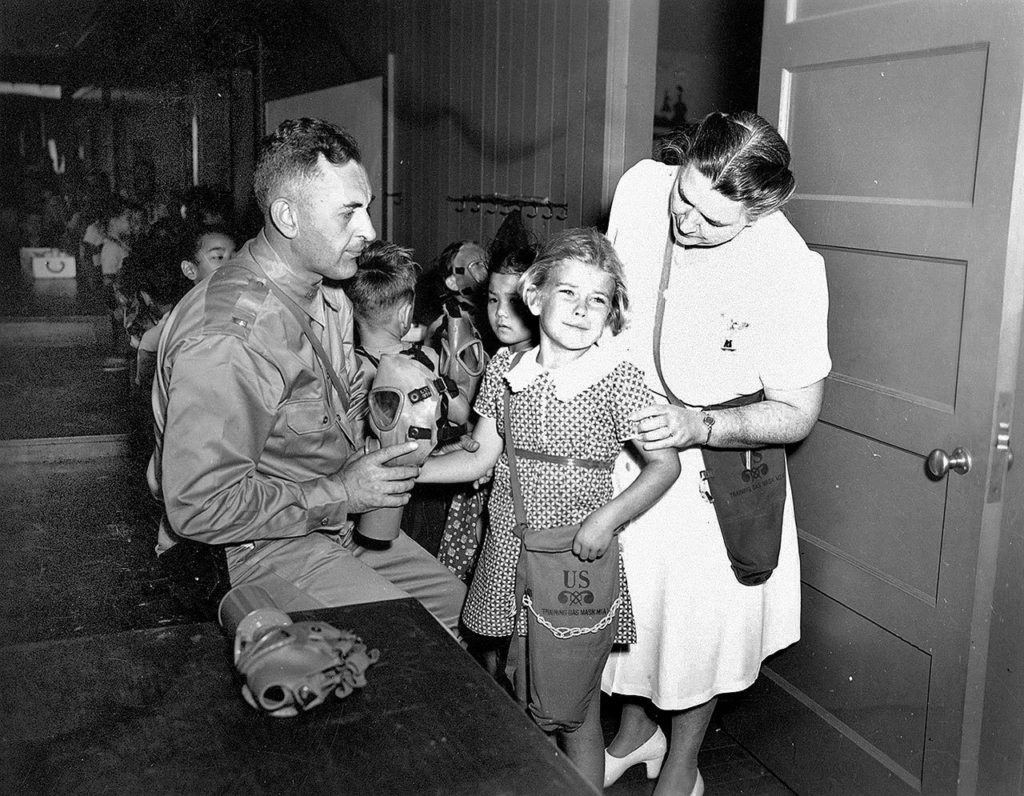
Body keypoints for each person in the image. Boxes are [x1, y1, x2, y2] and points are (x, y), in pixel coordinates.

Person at [149, 117, 466, 634]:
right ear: (288, 217)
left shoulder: (329, 291)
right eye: (349, 213)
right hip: (245, 547)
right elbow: (198, 507)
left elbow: (335, 406)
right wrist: (343, 492)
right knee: (414, 639)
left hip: (327, 518)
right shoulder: (231, 338)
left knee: (459, 609)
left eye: (365, 207)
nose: (368, 230)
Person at [600, 111, 831, 795]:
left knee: (698, 632)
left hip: (713, 475)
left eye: (715, 218)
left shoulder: (787, 266)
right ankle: (634, 736)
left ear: (760, 212)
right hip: (626, 447)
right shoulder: (643, 187)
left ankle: (680, 767)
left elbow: (797, 412)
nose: (687, 223)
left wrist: (699, 426)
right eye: (687, 196)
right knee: (628, 612)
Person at [417, 228, 680, 787]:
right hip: (507, 557)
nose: (583, 310)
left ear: (612, 313)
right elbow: (478, 458)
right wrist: (406, 471)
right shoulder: (505, 372)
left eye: (599, 299)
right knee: (517, 693)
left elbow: (666, 465)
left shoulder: (619, 382)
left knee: (572, 709)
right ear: (535, 297)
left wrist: (605, 520)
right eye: (569, 294)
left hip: (572, 564)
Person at [135, 224, 237, 395]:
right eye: (218, 257)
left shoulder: (252, 310)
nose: (231, 265)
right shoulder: (170, 332)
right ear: (190, 269)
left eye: (235, 256)